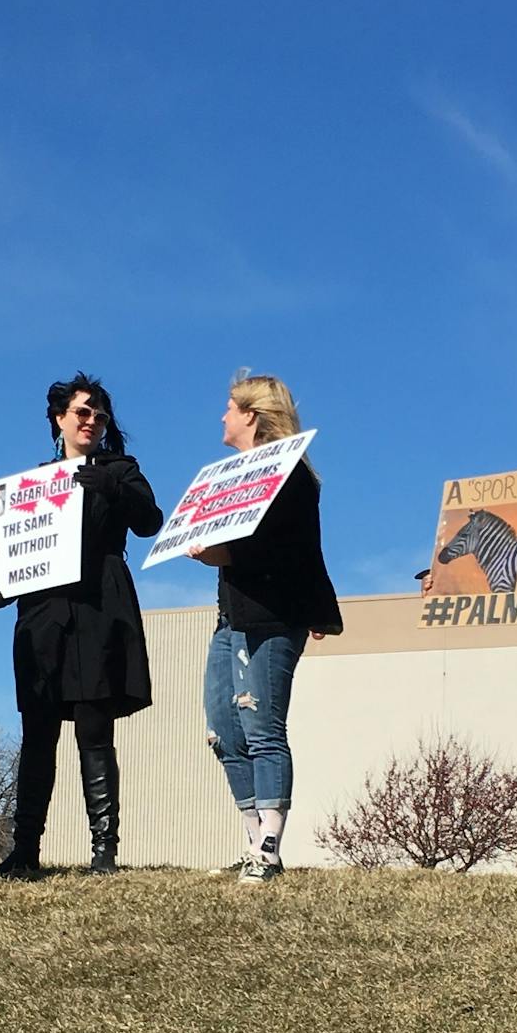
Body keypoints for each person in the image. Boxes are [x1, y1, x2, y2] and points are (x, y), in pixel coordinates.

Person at [0, 374, 162, 875]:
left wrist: (113, 487)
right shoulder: (34, 483)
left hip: (99, 607)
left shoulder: (121, 469)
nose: (92, 421)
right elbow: (17, 550)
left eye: (100, 415)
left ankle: (104, 850)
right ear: (59, 418)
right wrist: (1, 587)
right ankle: (24, 851)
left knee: (94, 728)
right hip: (44, 613)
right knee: (37, 732)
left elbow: (149, 521)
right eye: (83, 412)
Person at [188, 371, 343, 884]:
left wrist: (221, 553)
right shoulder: (234, 478)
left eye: (230, 408)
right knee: (224, 728)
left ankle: (269, 848)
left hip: (274, 616)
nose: (222, 417)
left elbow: (283, 549)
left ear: (251, 415)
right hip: (231, 616)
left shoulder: (291, 475)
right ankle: (253, 841)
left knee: (262, 726)